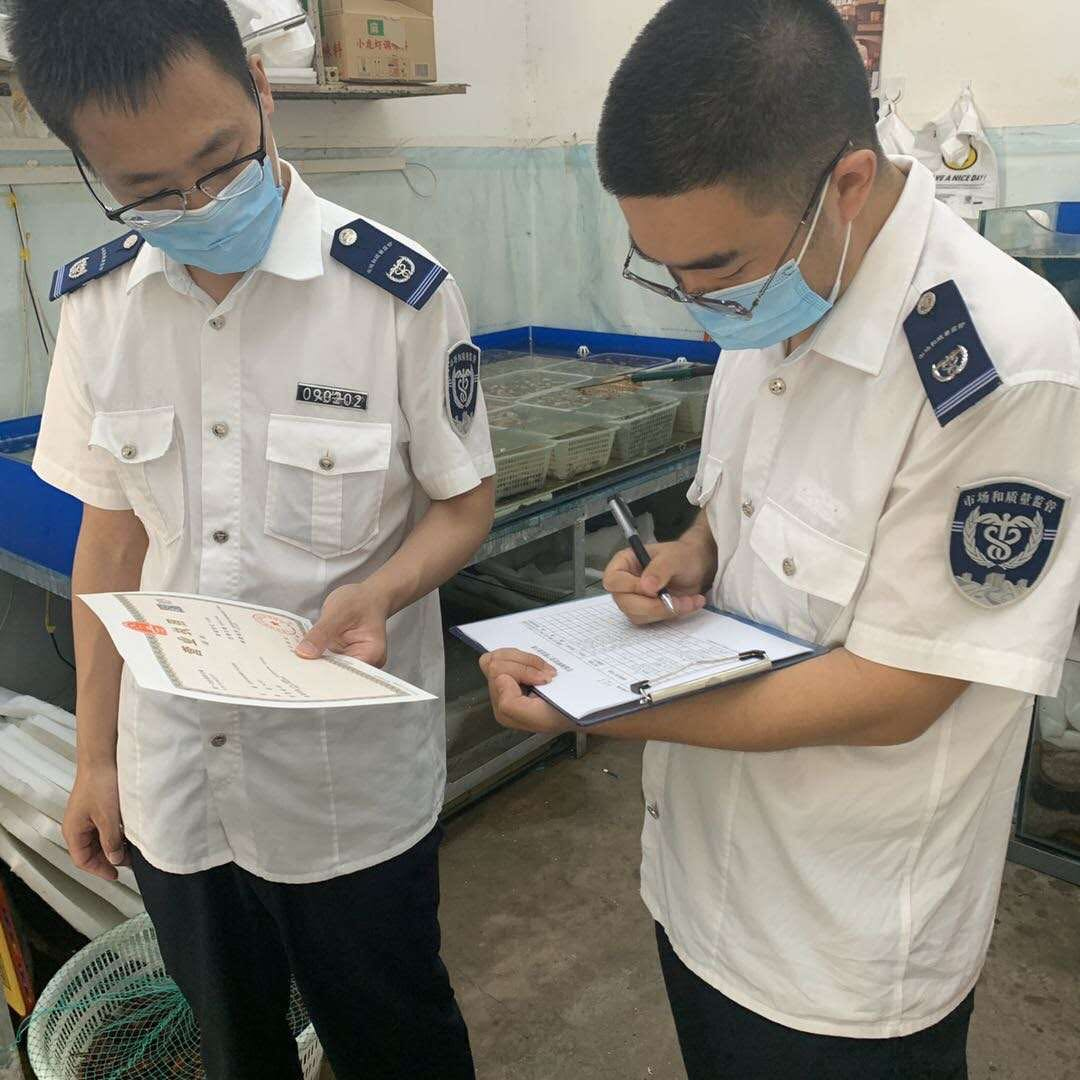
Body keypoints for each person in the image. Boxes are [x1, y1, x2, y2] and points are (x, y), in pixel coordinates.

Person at [479, 1, 1080, 1077]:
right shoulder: (778, 278)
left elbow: (903, 689)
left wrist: (602, 704)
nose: (698, 302)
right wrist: (693, 551)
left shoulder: (1003, 361)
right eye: (664, 269)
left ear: (846, 185)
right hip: (696, 878)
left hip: (843, 950)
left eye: (714, 271)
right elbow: (749, 495)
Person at [12, 2, 494, 1077]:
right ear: (89, 167)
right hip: (177, 779)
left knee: (396, 1040)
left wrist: (385, 590)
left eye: (221, 159)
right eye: (148, 189)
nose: (197, 204)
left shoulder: (395, 296)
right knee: (233, 1048)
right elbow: (111, 543)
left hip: (345, 788)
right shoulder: (99, 310)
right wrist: (96, 758)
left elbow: (465, 504)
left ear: (263, 92)